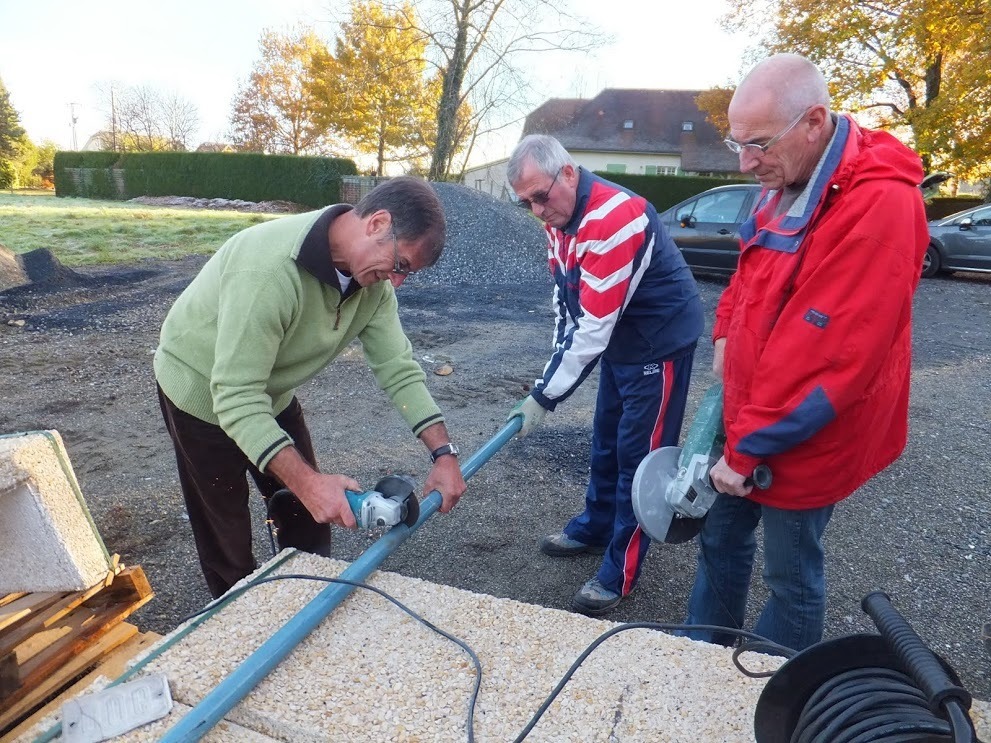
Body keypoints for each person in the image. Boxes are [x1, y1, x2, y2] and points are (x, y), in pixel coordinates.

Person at [683, 53, 929, 650]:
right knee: (720, 537)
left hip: (805, 431)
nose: (745, 162)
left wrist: (746, 451)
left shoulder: (879, 206)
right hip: (752, 414)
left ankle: (774, 689)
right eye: (737, 143)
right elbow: (749, 270)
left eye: (758, 144)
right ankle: (695, 658)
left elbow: (827, 358)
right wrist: (725, 331)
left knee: (790, 574)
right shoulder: (787, 179)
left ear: (814, 121)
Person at [154, 177, 467, 598]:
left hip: (267, 391)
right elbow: (235, 396)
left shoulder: (372, 286)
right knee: (226, 535)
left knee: (309, 519)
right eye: (401, 265)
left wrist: (444, 454)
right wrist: (307, 484)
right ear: (377, 223)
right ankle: (239, 618)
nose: (397, 282)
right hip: (200, 390)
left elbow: (399, 369)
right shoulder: (269, 271)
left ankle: (305, 601)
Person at [506, 134, 704, 616]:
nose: (537, 211)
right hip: (620, 342)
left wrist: (544, 397)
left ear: (567, 173)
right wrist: (547, 380)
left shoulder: (615, 216)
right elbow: (567, 303)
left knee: (640, 459)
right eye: (526, 203)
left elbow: (592, 328)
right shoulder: (559, 219)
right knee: (606, 442)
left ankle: (621, 570)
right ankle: (596, 526)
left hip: (658, 342)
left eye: (540, 196)